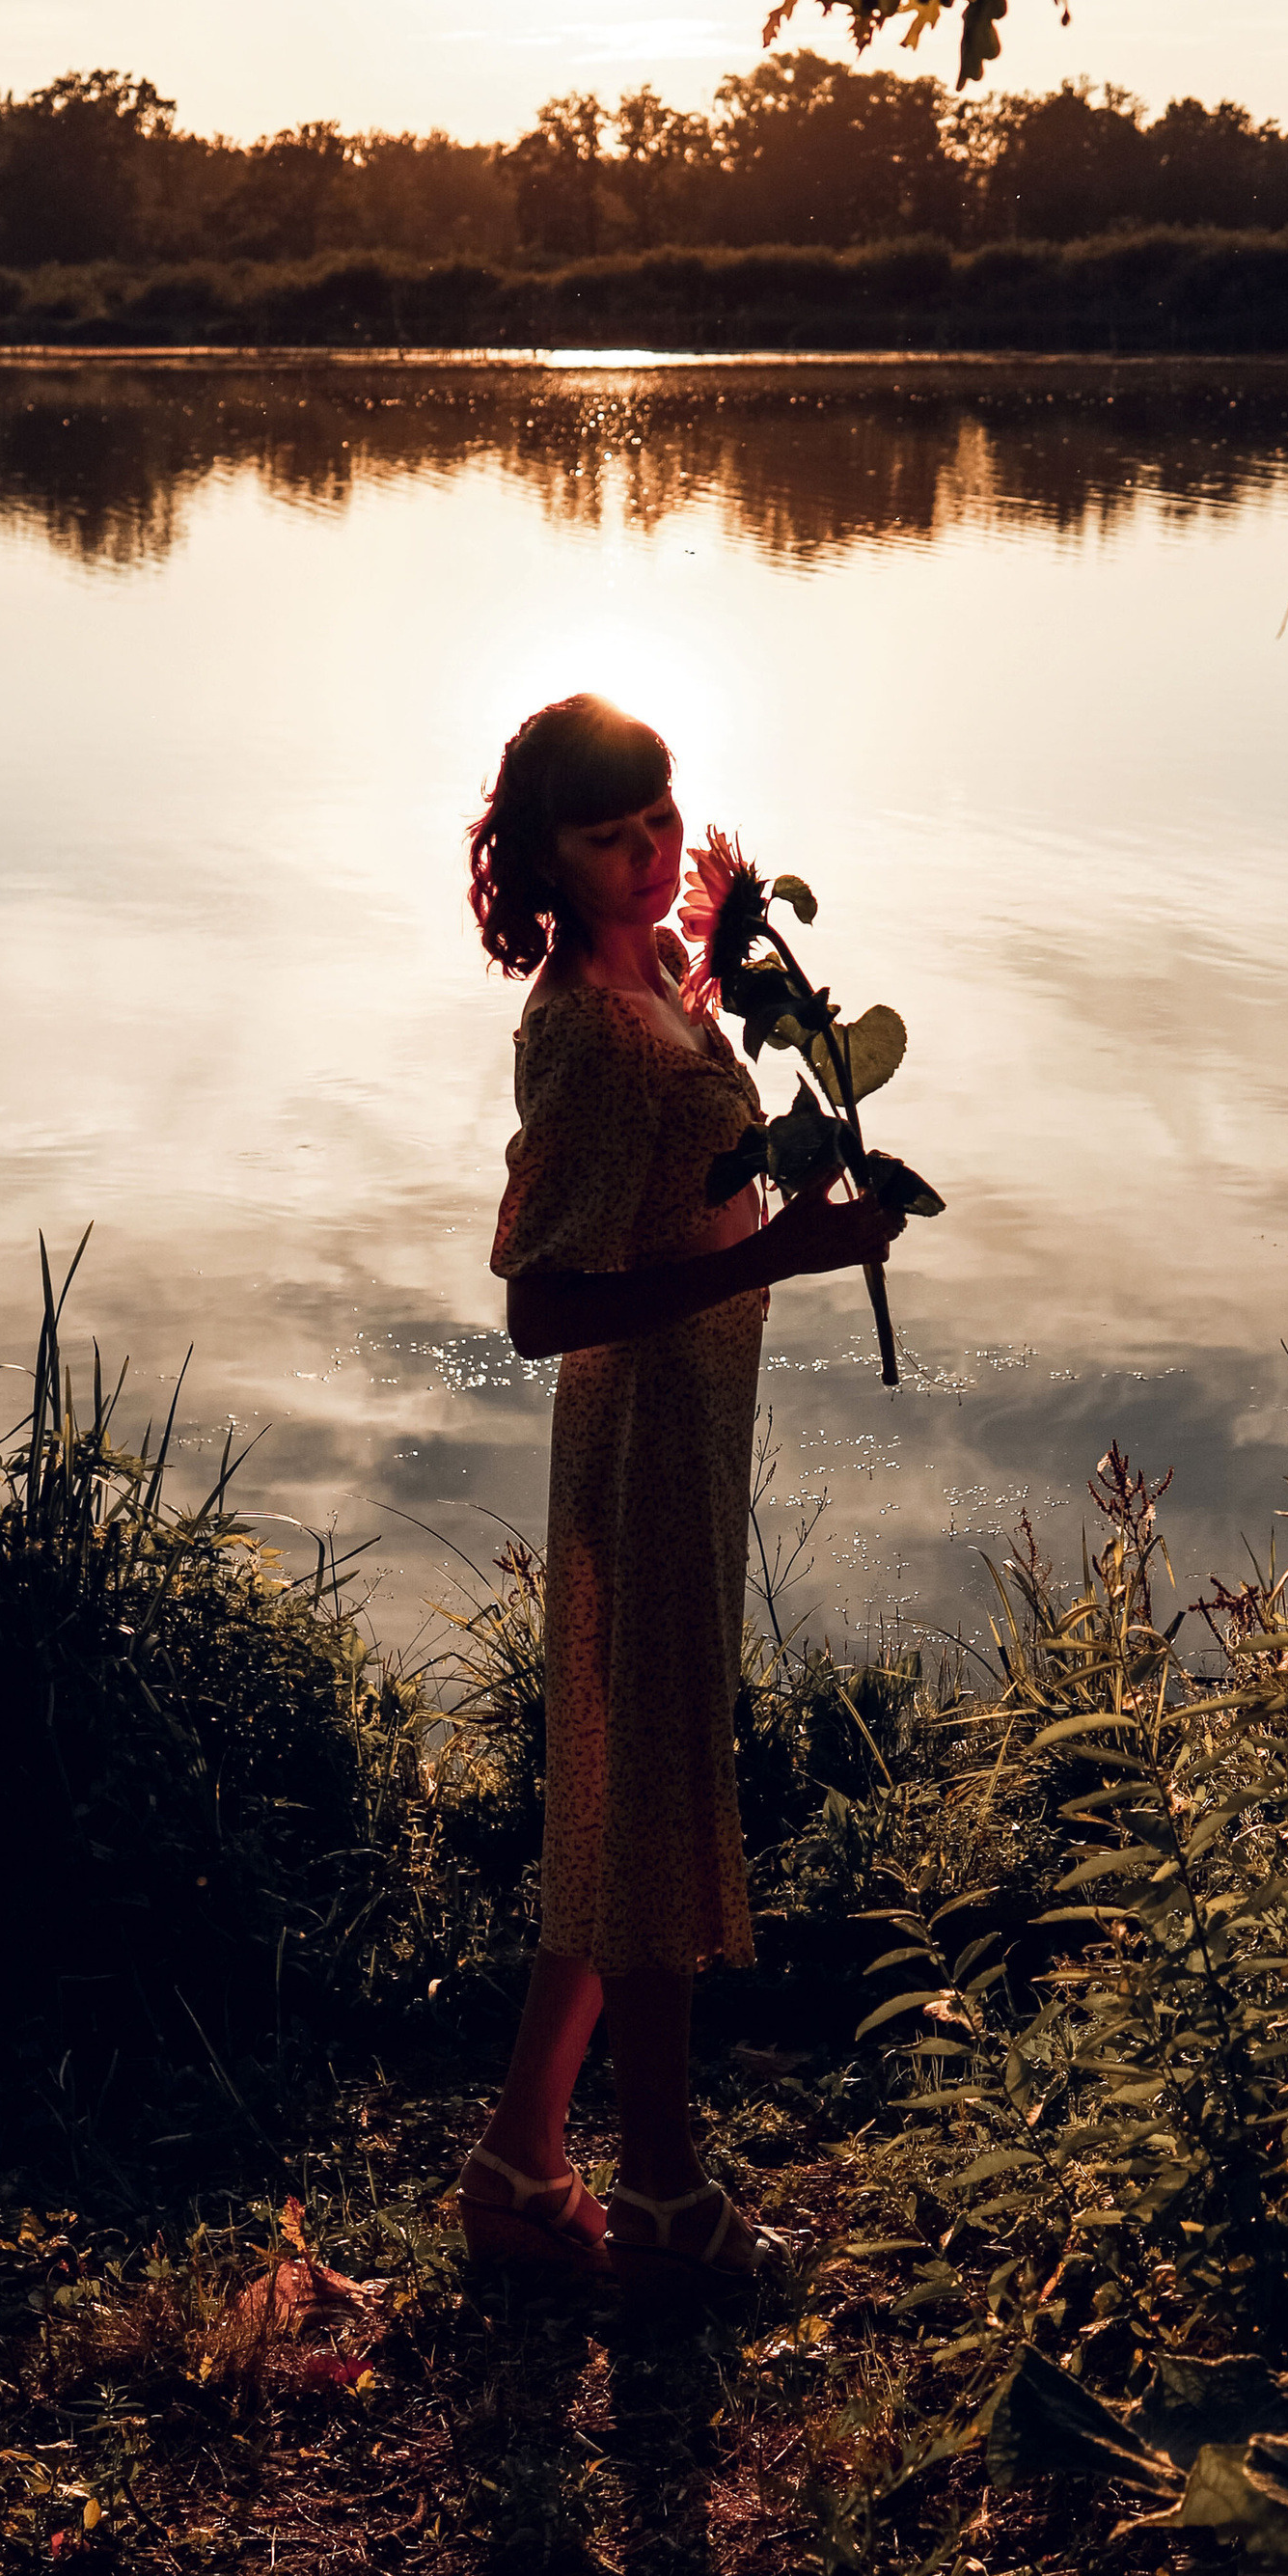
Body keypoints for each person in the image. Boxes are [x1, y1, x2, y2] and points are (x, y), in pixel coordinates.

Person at [455, 693, 905, 2287]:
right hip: (639, 1434)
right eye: (607, 836)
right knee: (647, 1804)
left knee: (624, 1791)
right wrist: (781, 1246)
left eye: (659, 818)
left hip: (700, 1423)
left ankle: (518, 2166)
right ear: (543, 858)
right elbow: (540, 1310)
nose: (648, 855)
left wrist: (792, 1122)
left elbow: (703, 1186)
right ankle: (660, 2198)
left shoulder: (661, 969)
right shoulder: (577, 1025)